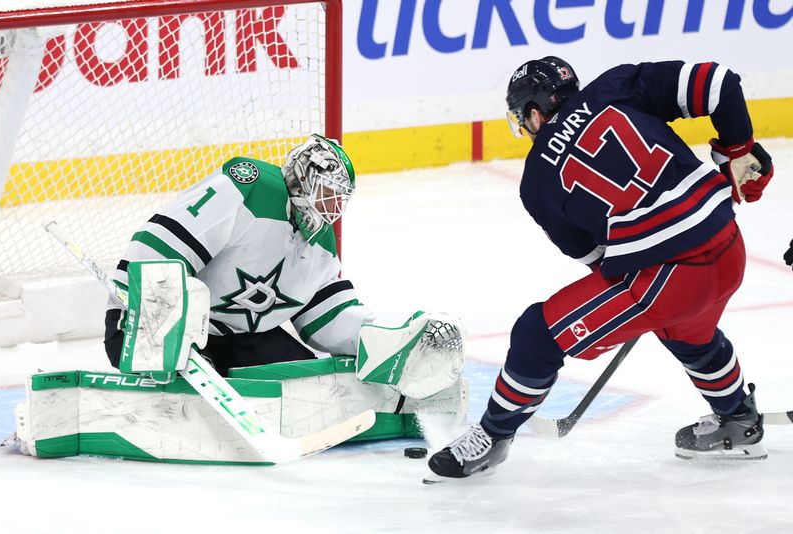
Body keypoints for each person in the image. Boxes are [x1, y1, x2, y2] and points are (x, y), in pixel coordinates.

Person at [427, 57, 775, 481]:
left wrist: (635, 298)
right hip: (728, 245)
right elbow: (719, 81)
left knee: (538, 333)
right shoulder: (616, 86)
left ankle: (492, 436)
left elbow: (597, 260)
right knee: (688, 332)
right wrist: (737, 150)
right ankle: (737, 416)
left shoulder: (536, 179)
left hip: (671, 279)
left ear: (534, 113)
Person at [104, 134, 464, 398]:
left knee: (316, 388)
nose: (332, 204)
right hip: (145, 326)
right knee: (183, 359)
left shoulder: (321, 244)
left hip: (238, 340)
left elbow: (327, 318)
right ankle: (161, 371)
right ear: (301, 177)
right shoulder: (250, 188)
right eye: (326, 191)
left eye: (339, 197)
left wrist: (386, 339)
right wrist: (156, 330)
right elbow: (159, 245)